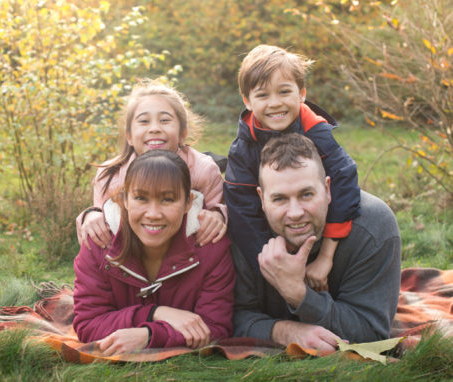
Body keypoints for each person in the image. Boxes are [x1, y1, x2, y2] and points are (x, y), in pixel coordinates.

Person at [232, 134, 401, 351]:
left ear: (328, 189)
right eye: (280, 199)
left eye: (306, 195)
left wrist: (298, 294)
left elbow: (371, 333)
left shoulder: (373, 227)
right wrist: (285, 331)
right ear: (261, 199)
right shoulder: (243, 229)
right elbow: (230, 318)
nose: (295, 213)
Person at [224, 44, 360, 291]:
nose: (275, 103)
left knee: (365, 211)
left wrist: (325, 257)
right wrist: (275, 265)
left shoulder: (317, 131)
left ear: (302, 94)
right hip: (270, 230)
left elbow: (344, 180)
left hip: (317, 228)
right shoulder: (243, 149)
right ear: (248, 101)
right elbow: (242, 211)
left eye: (284, 92)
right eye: (263, 95)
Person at [73, 150, 235, 355]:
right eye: (141, 198)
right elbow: (88, 324)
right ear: (124, 200)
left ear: (187, 203)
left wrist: (149, 336)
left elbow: (215, 327)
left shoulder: (210, 246)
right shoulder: (99, 243)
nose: (153, 214)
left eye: (167, 200)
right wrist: (156, 314)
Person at [77, 79, 227, 251]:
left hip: (188, 256)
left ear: (182, 134)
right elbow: (99, 214)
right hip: (128, 256)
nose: (154, 128)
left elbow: (218, 208)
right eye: (144, 121)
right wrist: (91, 215)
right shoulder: (110, 175)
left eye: (164, 120)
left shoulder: (203, 170)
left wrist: (217, 215)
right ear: (129, 136)